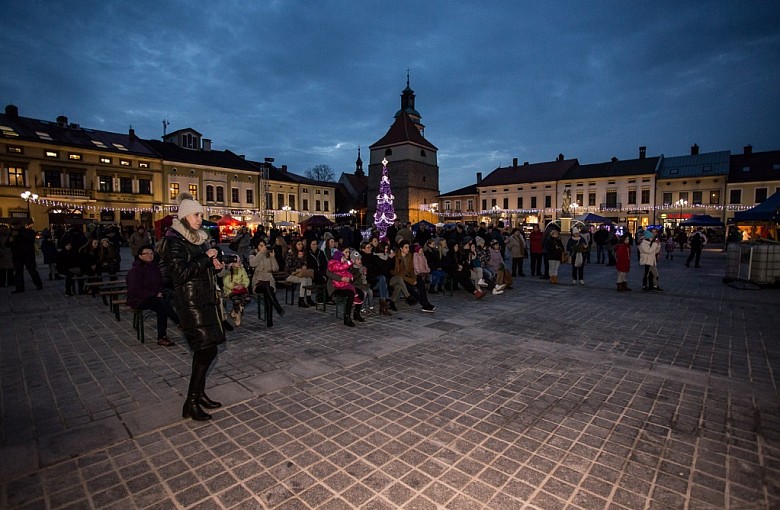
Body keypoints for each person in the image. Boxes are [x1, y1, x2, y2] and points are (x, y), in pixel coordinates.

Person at [160, 193, 225, 421]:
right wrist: (205, 258)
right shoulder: (173, 240)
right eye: (197, 214)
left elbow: (198, 267)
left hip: (204, 300)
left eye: (200, 214)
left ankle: (199, 394)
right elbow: (180, 274)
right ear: (185, 216)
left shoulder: (197, 238)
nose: (200, 218)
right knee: (205, 349)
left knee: (209, 348)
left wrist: (214, 265)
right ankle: (192, 402)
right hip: (190, 303)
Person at [126, 245, 181, 346]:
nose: (149, 255)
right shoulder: (135, 270)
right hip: (138, 299)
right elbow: (135, 290)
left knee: (162, 305)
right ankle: (178, 322)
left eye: (151, 253)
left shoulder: (155, 267)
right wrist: (154, 294)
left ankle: (162, 337)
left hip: (155, 298)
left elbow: (160, 283)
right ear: (140, 256)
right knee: (161, 304)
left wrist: (159, 292)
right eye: (146, 254)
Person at [249, 239, 285, 327]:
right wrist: (260, 253)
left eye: (264, 245)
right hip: (258, 281)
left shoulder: (268, 255)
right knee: (266, 286)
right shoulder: (253, 255)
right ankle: (277, 306)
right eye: (260, 245)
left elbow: (276, 268)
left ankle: (270, 320)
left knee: (268, 291)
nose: (263, 247)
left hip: (269, 279)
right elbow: (253, 264)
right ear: (257, 247)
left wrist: (272, 257)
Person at [393, 240, 435, 312]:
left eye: (408, 247)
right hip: (400, 278)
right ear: (401, 248)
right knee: (409, 286)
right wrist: (411, 280)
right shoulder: (396, 257)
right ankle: (424, 304)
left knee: (420, 282)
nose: (408, 249)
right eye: (406, 247)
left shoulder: (409, 256)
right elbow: (397, 273)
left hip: (409, 276)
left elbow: (412, 269)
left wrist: (414, 277)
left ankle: (426, 303)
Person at [326, 249, 364, 326]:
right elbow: (328, 273)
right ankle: (347, 317)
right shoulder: (335, 263)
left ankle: (356, 313)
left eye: (348, 252)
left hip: (346, 285)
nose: (347, 254)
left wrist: (360, 271)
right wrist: (341, 278)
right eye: (345, 252)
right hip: (335, 286)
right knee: (350, 294)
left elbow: (352, 277)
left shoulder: (348, 262)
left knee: (360, 293)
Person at [7, 219, 43, 294]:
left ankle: (38, 284)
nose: (15, 227)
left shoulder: (26, 231)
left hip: (27, 254)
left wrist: (16, 238)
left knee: (31, 270)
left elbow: (29, 239)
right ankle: (19, 287)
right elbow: (7, 243)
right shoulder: (12, 232)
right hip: (17, 255)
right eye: (13, 225)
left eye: (16, 225)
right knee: (18, 272)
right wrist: (10, 241)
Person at [284, 238, 315, 308]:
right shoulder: (290, 254)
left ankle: (308, 298)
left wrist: (304, 265)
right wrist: (298, 259)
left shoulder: (303, 253)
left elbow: (304, 264)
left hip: (300, 273)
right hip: (290, 274)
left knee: (309, 279)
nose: (300, 246)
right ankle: (301, 300)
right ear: (295, 245)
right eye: (299, 244)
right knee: (304, 280)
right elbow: (288, 267)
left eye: (301, 244)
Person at [221, 256, 251, 326]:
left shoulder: (242, 269)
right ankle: (238, 315)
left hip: (241, 288)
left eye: (239, 261)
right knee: (236, 300)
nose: (239, 263)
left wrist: (243, 285)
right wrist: (234, 286)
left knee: (247, 299)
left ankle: (235, 310)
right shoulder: (227, 270)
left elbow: (246, 279)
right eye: (237, 262)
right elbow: (226, 282)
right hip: (230, 290)